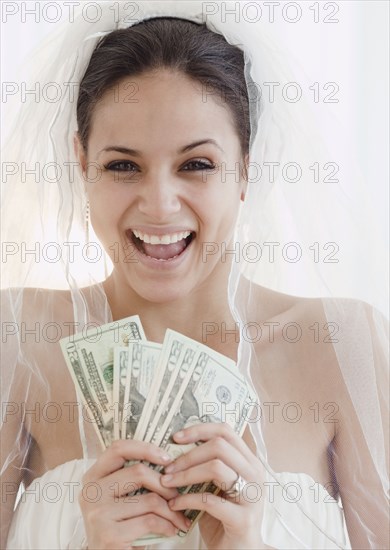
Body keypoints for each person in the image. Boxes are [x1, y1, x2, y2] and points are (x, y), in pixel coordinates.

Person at [1, 2, 388, 549]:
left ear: (246, 170)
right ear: (81, 164)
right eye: (122, 165)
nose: (159, 205)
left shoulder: (343, 344)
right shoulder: (16, 339)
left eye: (196, 164)